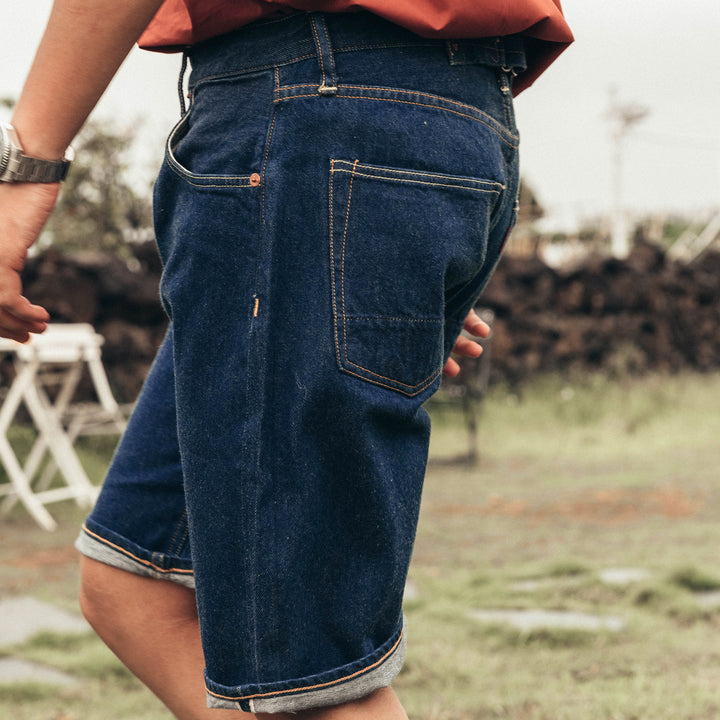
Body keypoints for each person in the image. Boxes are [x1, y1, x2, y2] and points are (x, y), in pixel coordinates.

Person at [0, 2, 572, 718]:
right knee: (133, 582)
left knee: (308, 679)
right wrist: (384, 218)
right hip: (420, 118)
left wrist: (27, 164)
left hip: (312, 109)